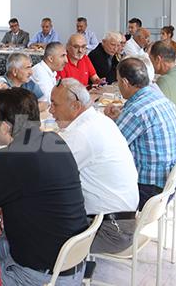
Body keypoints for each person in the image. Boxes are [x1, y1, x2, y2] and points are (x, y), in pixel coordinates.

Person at [0, 88, 88, 284]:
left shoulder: (11, 158)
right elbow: (26, 187)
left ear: (5, 128)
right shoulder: (54, 140)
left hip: (39, 276)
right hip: (71, 264)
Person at [51, 79, 139, 254]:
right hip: (124, 221)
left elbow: (44, 174)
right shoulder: (99, 120)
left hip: (110, 231)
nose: (51, 110)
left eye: (55, 104)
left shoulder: (82, 134)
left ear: (75, 106)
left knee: (29, 223)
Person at [104, 58, 176, 209]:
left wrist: (106, 121)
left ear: (125, 82)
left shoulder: (136, 110)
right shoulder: (158, 97)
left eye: (118, 81)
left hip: (149, 188)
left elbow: (110, 146)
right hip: (168, 182)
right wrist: (119, 118)